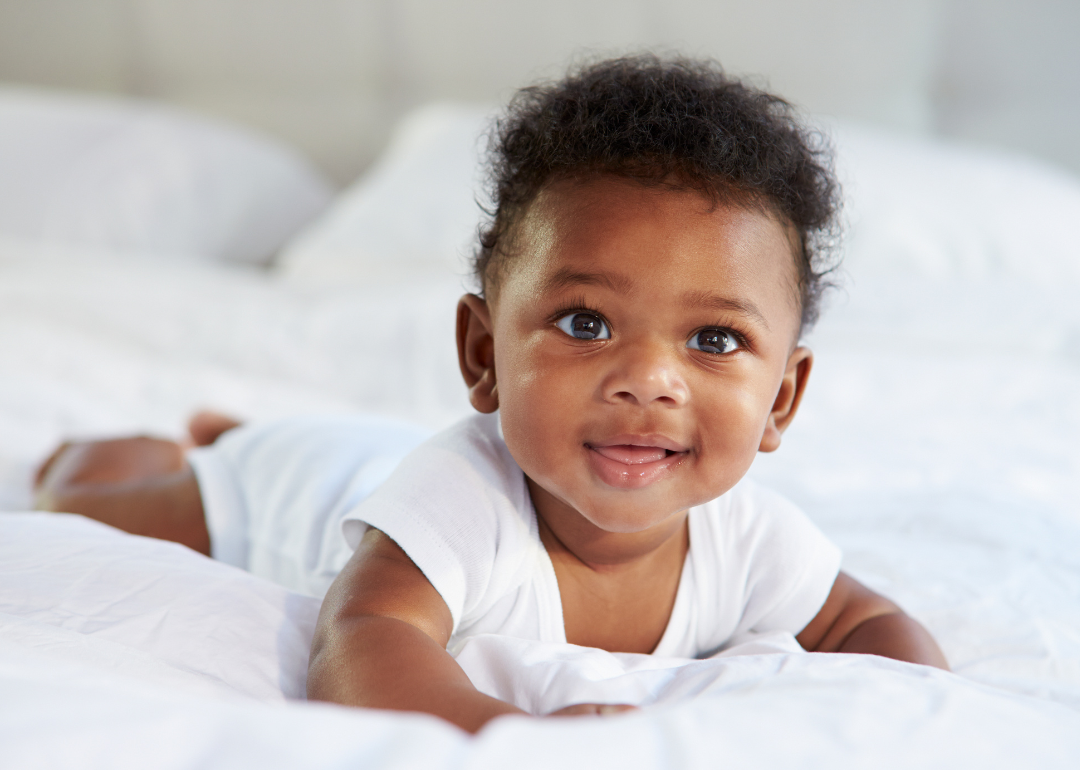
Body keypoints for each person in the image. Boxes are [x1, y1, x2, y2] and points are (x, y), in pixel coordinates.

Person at [34, 55, 948, 734]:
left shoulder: (749, 539)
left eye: (715, 339)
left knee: (349, 447)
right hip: (292, 487)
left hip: (370, 452)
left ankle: (239, 429)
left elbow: (868, 625)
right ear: (483, 353)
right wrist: (506, 732)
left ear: (782, 401)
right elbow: (363, 639)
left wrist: (894, 719)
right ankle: (163, 447)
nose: (647, 380)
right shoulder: (460, 502)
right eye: (586, 322)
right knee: (85, 503)